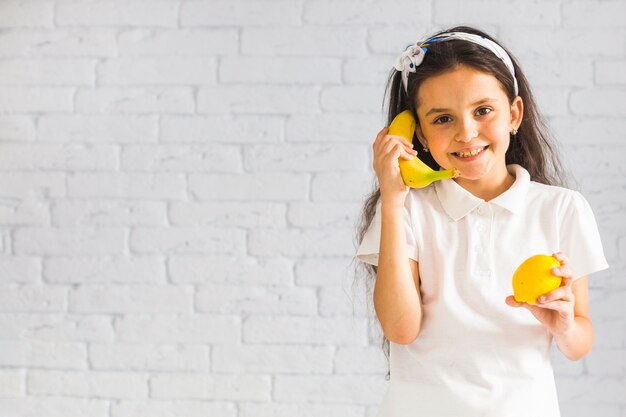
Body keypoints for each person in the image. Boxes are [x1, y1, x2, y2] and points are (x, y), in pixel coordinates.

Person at [353, 26, 609, 416]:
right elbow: (401, 330)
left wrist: (563, 326)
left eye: (483, 110)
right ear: (416, 133)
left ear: (514, 114)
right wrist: (392, 199)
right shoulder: (407, 209)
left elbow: (580, 342)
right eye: (442, 119)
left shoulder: (562, 209)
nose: (466, 133)